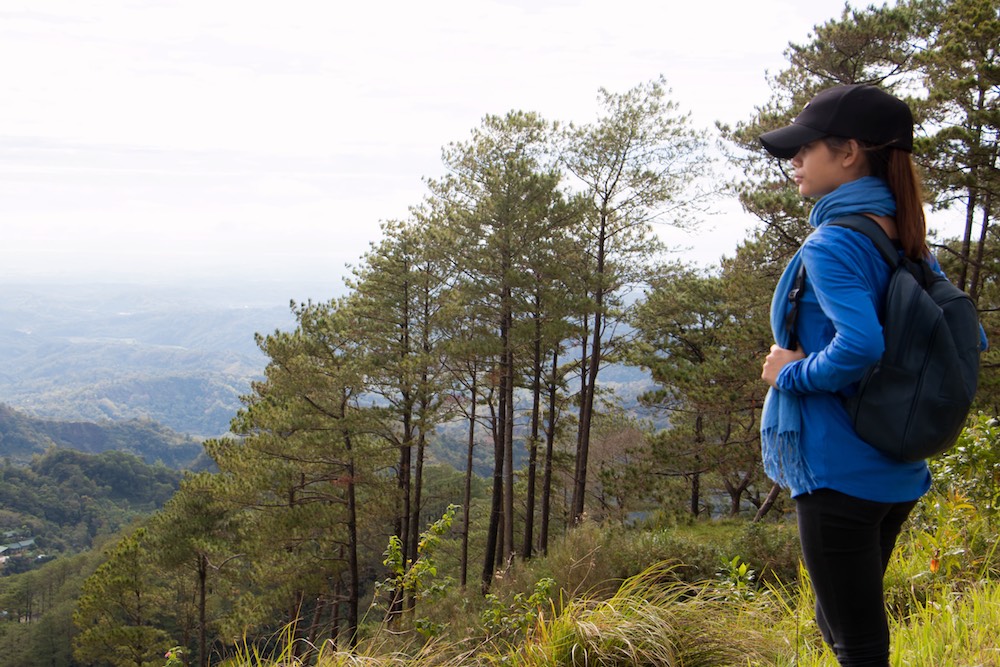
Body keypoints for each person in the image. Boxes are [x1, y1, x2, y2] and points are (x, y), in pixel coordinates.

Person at [757, 84, 934, 666]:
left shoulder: (833, 242)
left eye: (805, 149)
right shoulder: (905, 238)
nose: (794, 164)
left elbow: (861, 345)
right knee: (840, 622)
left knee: (856, 643)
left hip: (840, 468)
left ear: (850, 151)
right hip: (896, 465)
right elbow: (963, 338)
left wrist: (792, 373)